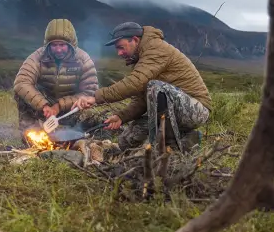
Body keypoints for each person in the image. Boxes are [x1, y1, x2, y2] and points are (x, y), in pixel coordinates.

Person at [74, 21, 211, 152]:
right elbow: (141, 99)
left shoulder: (155, 49)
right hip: (174, 111)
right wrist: (122, 117)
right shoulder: (142, 56)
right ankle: (186, 138)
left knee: (155, 87)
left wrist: (96, 97)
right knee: (126, 141)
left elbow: (136, 82)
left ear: (135, 40)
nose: (119, 53)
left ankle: (167, 148)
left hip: (196, 110)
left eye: (121, 47)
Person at [12, 19, 98, 142]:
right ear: (47, 45)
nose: (58, 49)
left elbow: (90, 92)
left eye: (62, 45)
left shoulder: (83, 59)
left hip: (70, 108)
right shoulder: (38, 57)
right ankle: (31, 135)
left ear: (71, 45)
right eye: (54, 45)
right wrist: (44, 105)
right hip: (45, 107)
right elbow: (21, 82)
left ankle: (79, 136)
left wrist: (59, 106)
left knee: (89, 112)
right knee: (21, 94)